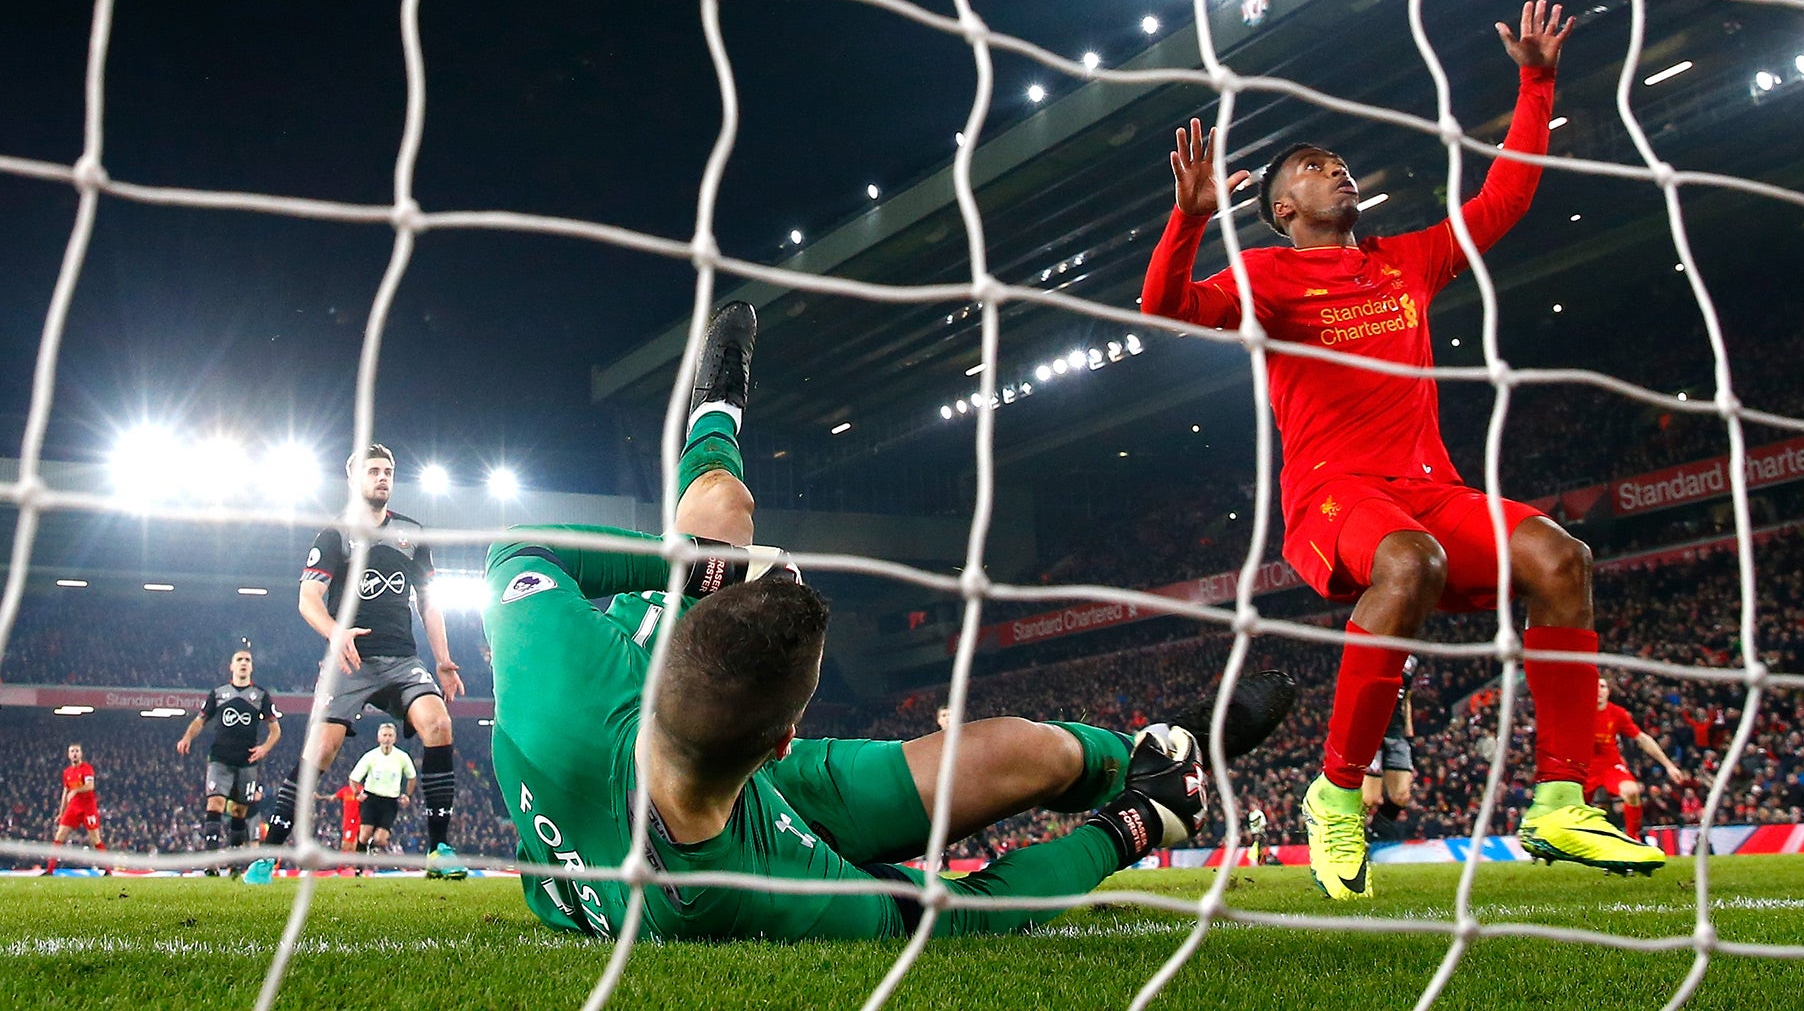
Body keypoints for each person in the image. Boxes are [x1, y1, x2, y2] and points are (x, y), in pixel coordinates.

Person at [484, 302, 1296, 942]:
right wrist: (1127, 831)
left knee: (723, 517)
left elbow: (514, 546)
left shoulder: (565, 684)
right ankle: (1166, 774)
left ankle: (714, 417)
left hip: (645, 775)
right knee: (1032, 754)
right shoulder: (754, 896)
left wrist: (703, 567)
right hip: (736, 825)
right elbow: (960, 918)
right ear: (784, 741)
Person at [1139, 0, 1665, 897]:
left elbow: (1509, 194)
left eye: (1341, 163)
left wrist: (1537, 81)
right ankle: (1336, 795)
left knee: (1560, 556)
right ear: (1282, 206)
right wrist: (1187, 221)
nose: (1338, 172)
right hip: (1334, 500)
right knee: (1409, 561)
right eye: (1315, 168)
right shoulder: (1267, 274)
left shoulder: (1405, 260)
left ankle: (1560, 802)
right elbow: (1167, 309)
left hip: (1431, 490)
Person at [248, 443, 465, 884]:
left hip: (403, 659)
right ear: (353, 479)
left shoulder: (411, 534)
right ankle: (267, 855)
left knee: (439, 724)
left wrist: (443, 660)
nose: (383, 478)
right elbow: (308, 599)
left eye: (388, 471)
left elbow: (429, 602)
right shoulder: (335, 535)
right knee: (321, 751)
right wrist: (336, 632)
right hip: (348, 662)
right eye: (373, 471)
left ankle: (438, 849)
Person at [175, 645, 282, 874]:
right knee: (214, 804)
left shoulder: (261, 696)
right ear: (231, 666)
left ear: (251, 667)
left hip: (246, 761)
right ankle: (211, 862)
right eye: (239, 659)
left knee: (239, 812)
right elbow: (199, 721)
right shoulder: (218, 693)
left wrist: (265, 748)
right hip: (220, 758)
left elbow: (275, 730)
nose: (243, 663)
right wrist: (187, 737)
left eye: (247, 660)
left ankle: (234, 864)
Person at [1587, 677, 1686, 842]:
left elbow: (1642, 739)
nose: (1599, 691)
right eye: (1594, 687)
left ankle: (1633, 838)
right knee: (1571, 805)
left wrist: (1669, 765)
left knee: (1632, 791)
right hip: (1585, 767)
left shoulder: (1617, 713)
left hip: (1610, 765)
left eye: (1603, 686)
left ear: (1608, 691)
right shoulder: (1580, 713)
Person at [1362, 655, 1419, 846]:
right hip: (1372, 732)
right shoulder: (1372, 654)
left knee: (1401, 795)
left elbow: (1406, 699)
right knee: (1370, 798)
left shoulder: (1411, 661)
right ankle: (1352, 837)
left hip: (1397, 735)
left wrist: (1409, 736)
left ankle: (1373, 833)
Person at [348, 723, 417, 857]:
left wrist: (408, 795)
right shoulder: (370, 756)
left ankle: (371, 847)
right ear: (378, 738)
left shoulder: (402, 757)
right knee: (364, 835)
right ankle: (359, 867)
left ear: (395, 738)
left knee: (380, 839)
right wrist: (357, 793)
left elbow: (412, 777)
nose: (387, 738)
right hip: (371, 799)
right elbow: (353, 778)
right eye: (384, 735)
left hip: (390, 802)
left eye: (390, 735)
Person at [49, 742, 108, 871]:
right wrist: (61, 812)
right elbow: (65, 793)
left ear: (81, 754)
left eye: (77, 751)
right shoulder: (67, 772)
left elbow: (90, 786)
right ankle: (49, 870)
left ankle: (108, 870)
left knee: (95, 839)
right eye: (72, 751)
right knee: (59, 836)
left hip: (88, 807)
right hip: (73, 807)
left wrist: (75, 790)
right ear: (68, 755)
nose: (74, 754)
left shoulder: (87, 768)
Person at [319, 780, 364, 872]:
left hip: (354, 821)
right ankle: (355, 868)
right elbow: (332, 797)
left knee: (347, 845)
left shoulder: (361, 790)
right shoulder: (345, 790)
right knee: (351, 845)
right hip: (346, 822)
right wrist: (320, 797)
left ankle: (342, 868)